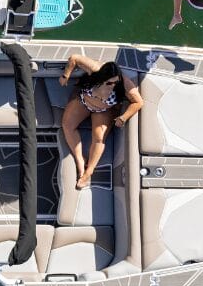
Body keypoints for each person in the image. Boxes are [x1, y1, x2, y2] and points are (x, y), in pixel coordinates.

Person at [58, 54, 143, 190]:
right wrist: (65, 75)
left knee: (98, 138)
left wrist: (123, 117)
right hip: (84, 102)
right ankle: (80, 159)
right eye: (109, 83)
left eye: (116, 83)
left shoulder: (124, 84)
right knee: (67, 125)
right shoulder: (95, 69)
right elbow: (74, 58)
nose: (113, 86)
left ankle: (88, 171)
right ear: (101, 78)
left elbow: (138, 102)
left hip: (104, 110)